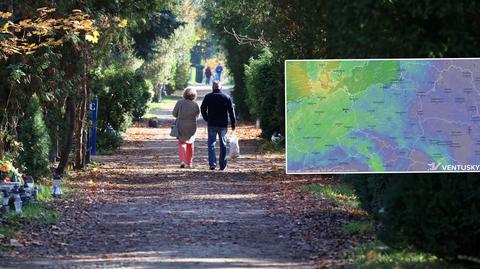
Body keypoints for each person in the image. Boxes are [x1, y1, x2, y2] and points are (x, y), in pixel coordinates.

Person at [201, 81, 236, 170]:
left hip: (212, 123)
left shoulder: (208, 97)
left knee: (211, 144)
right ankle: (223, 165)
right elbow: (231, 111)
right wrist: (233, 123)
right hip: (223, 124)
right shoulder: (226, 97)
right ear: (221, 87)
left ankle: (212, 164)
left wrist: (206, 118)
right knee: (223, 144)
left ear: (212, 88)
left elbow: (203, 108)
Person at [173, 88, 200, 168]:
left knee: (182, 143)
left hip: (181, 124)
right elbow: (197, 116)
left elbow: (174, 114)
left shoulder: (179, 103)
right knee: (190, 143)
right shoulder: (195, 104)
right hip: (192, 125)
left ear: (184, 94)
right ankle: (189, 162)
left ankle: (182, 161)